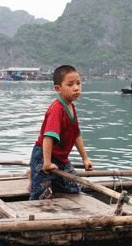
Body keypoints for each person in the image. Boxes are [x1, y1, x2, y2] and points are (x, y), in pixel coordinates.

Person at [29, 65, 94, 200]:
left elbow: (77, 135)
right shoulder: (57, 109)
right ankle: (35, 175)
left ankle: (36, 175)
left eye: (78, 83)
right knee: (42, 195)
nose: (76, 88)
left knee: (75, 186)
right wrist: (47, 163)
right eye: (70, 84)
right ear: (58, 89)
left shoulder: (71, 106)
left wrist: (85, 159)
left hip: (61, 159)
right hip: (44, 157)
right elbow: (48, 137)